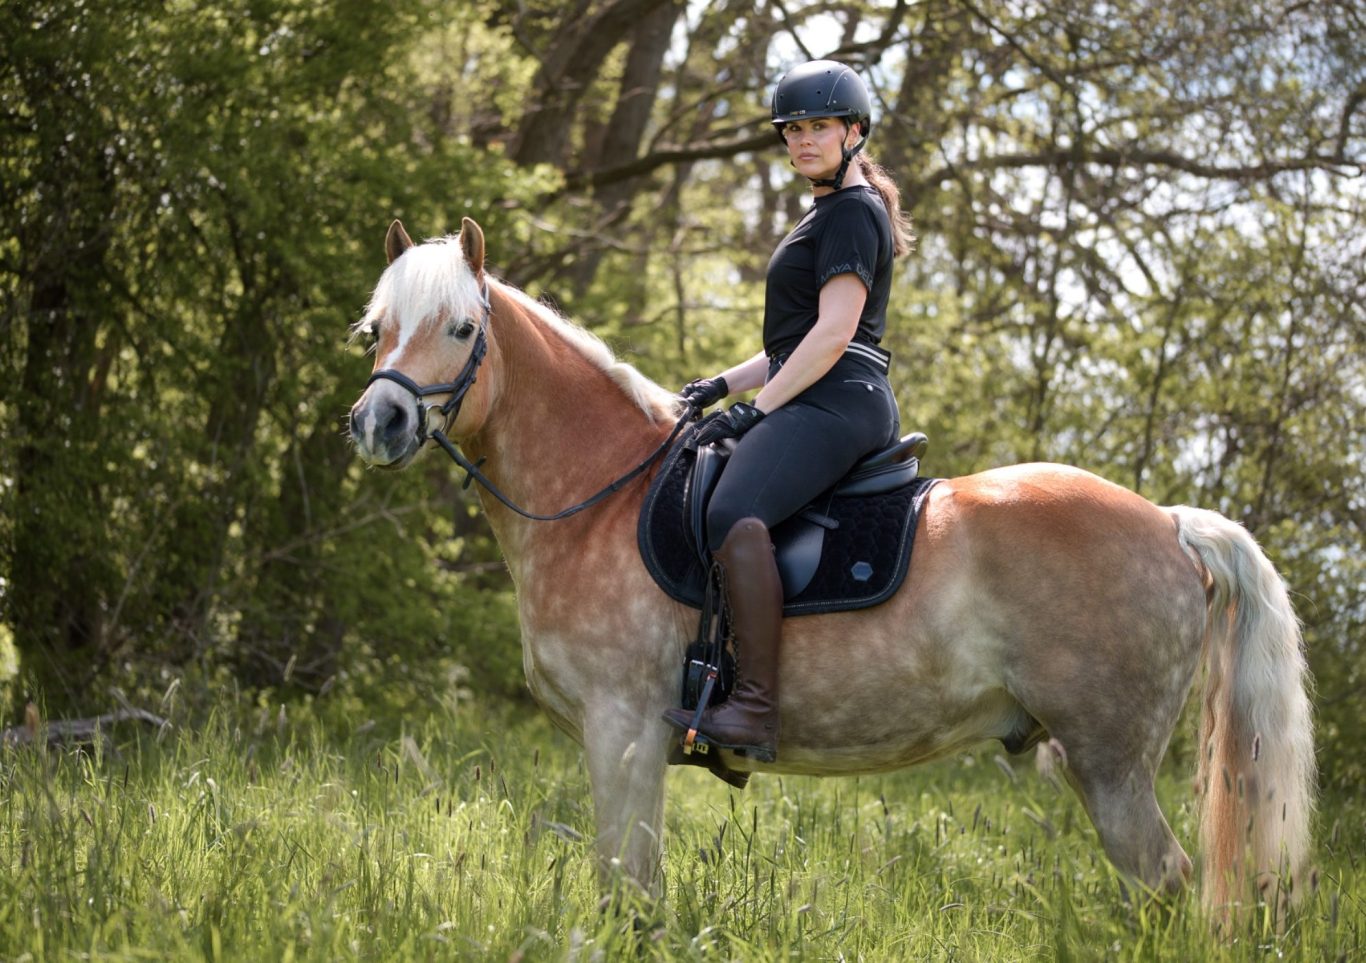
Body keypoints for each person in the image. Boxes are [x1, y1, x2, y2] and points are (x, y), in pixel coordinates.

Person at [662, 60, 915, 762]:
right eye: (793, 129)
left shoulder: (852, 212)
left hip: (840, 398)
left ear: (854, 132)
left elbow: (834, 334)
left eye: (819, 127)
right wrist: (722, 385)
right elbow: (793, 345)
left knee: (731, 510)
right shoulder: (828, 212)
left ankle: (756, 709)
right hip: (818, 387)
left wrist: (755, 412)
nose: (803, 141)